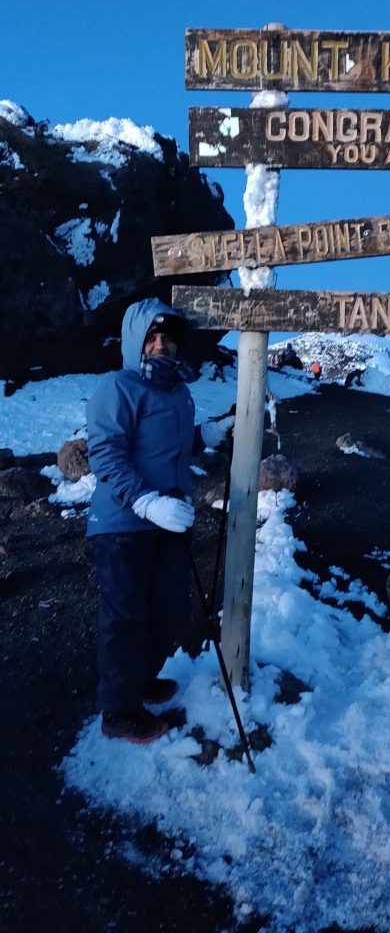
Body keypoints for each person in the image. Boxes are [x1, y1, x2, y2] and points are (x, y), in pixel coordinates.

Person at [86, 298, 234, 744]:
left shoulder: (178, 393)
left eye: (168, 339)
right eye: (151, 338)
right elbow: (106, 454)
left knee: (168, 611)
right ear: (136, 343)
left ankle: (140, 680)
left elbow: (170, 445)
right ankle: (118, 710)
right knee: (126, 617)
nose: (161, 346)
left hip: (167, 523)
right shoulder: (118, 387)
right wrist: (146, 502)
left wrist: (204, 435)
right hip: (123, 523)